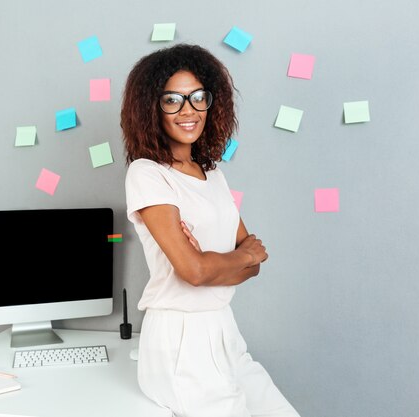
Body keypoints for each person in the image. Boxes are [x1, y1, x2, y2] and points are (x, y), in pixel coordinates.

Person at [121, 43, 300, 417]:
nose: (188, 110)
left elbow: (254, 261)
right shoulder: (147, 174)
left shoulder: (213, 172)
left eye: (197, 97)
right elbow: (194, 272)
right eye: (172, 100)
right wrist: (232, 259)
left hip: (223, 328)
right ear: (151, 109)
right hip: (180, 338)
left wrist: (227, 259)